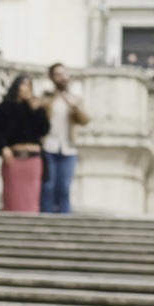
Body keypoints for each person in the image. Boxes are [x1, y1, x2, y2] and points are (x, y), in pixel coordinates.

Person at [0, 75, 49, 212]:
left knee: (31, 198)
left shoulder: (35, 108)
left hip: (33, 159)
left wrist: (37, 110)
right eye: (24, 84)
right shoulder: (5, 107)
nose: (27, 89)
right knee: (13, 197)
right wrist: (2, 148)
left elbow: (44, 130)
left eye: (29, 85)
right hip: (14, 158)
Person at [40, 63, 89, 214]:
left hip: (69, 148)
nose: (62, 77)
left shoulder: (75, 99)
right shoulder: (47, 98)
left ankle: (65, 219)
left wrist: (74, 106)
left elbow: (85, 120)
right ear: (52, 78)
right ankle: (46, 218)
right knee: (48, 187)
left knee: (64, 188)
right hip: (49, 146)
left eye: (64, 73)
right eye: (58, 74)